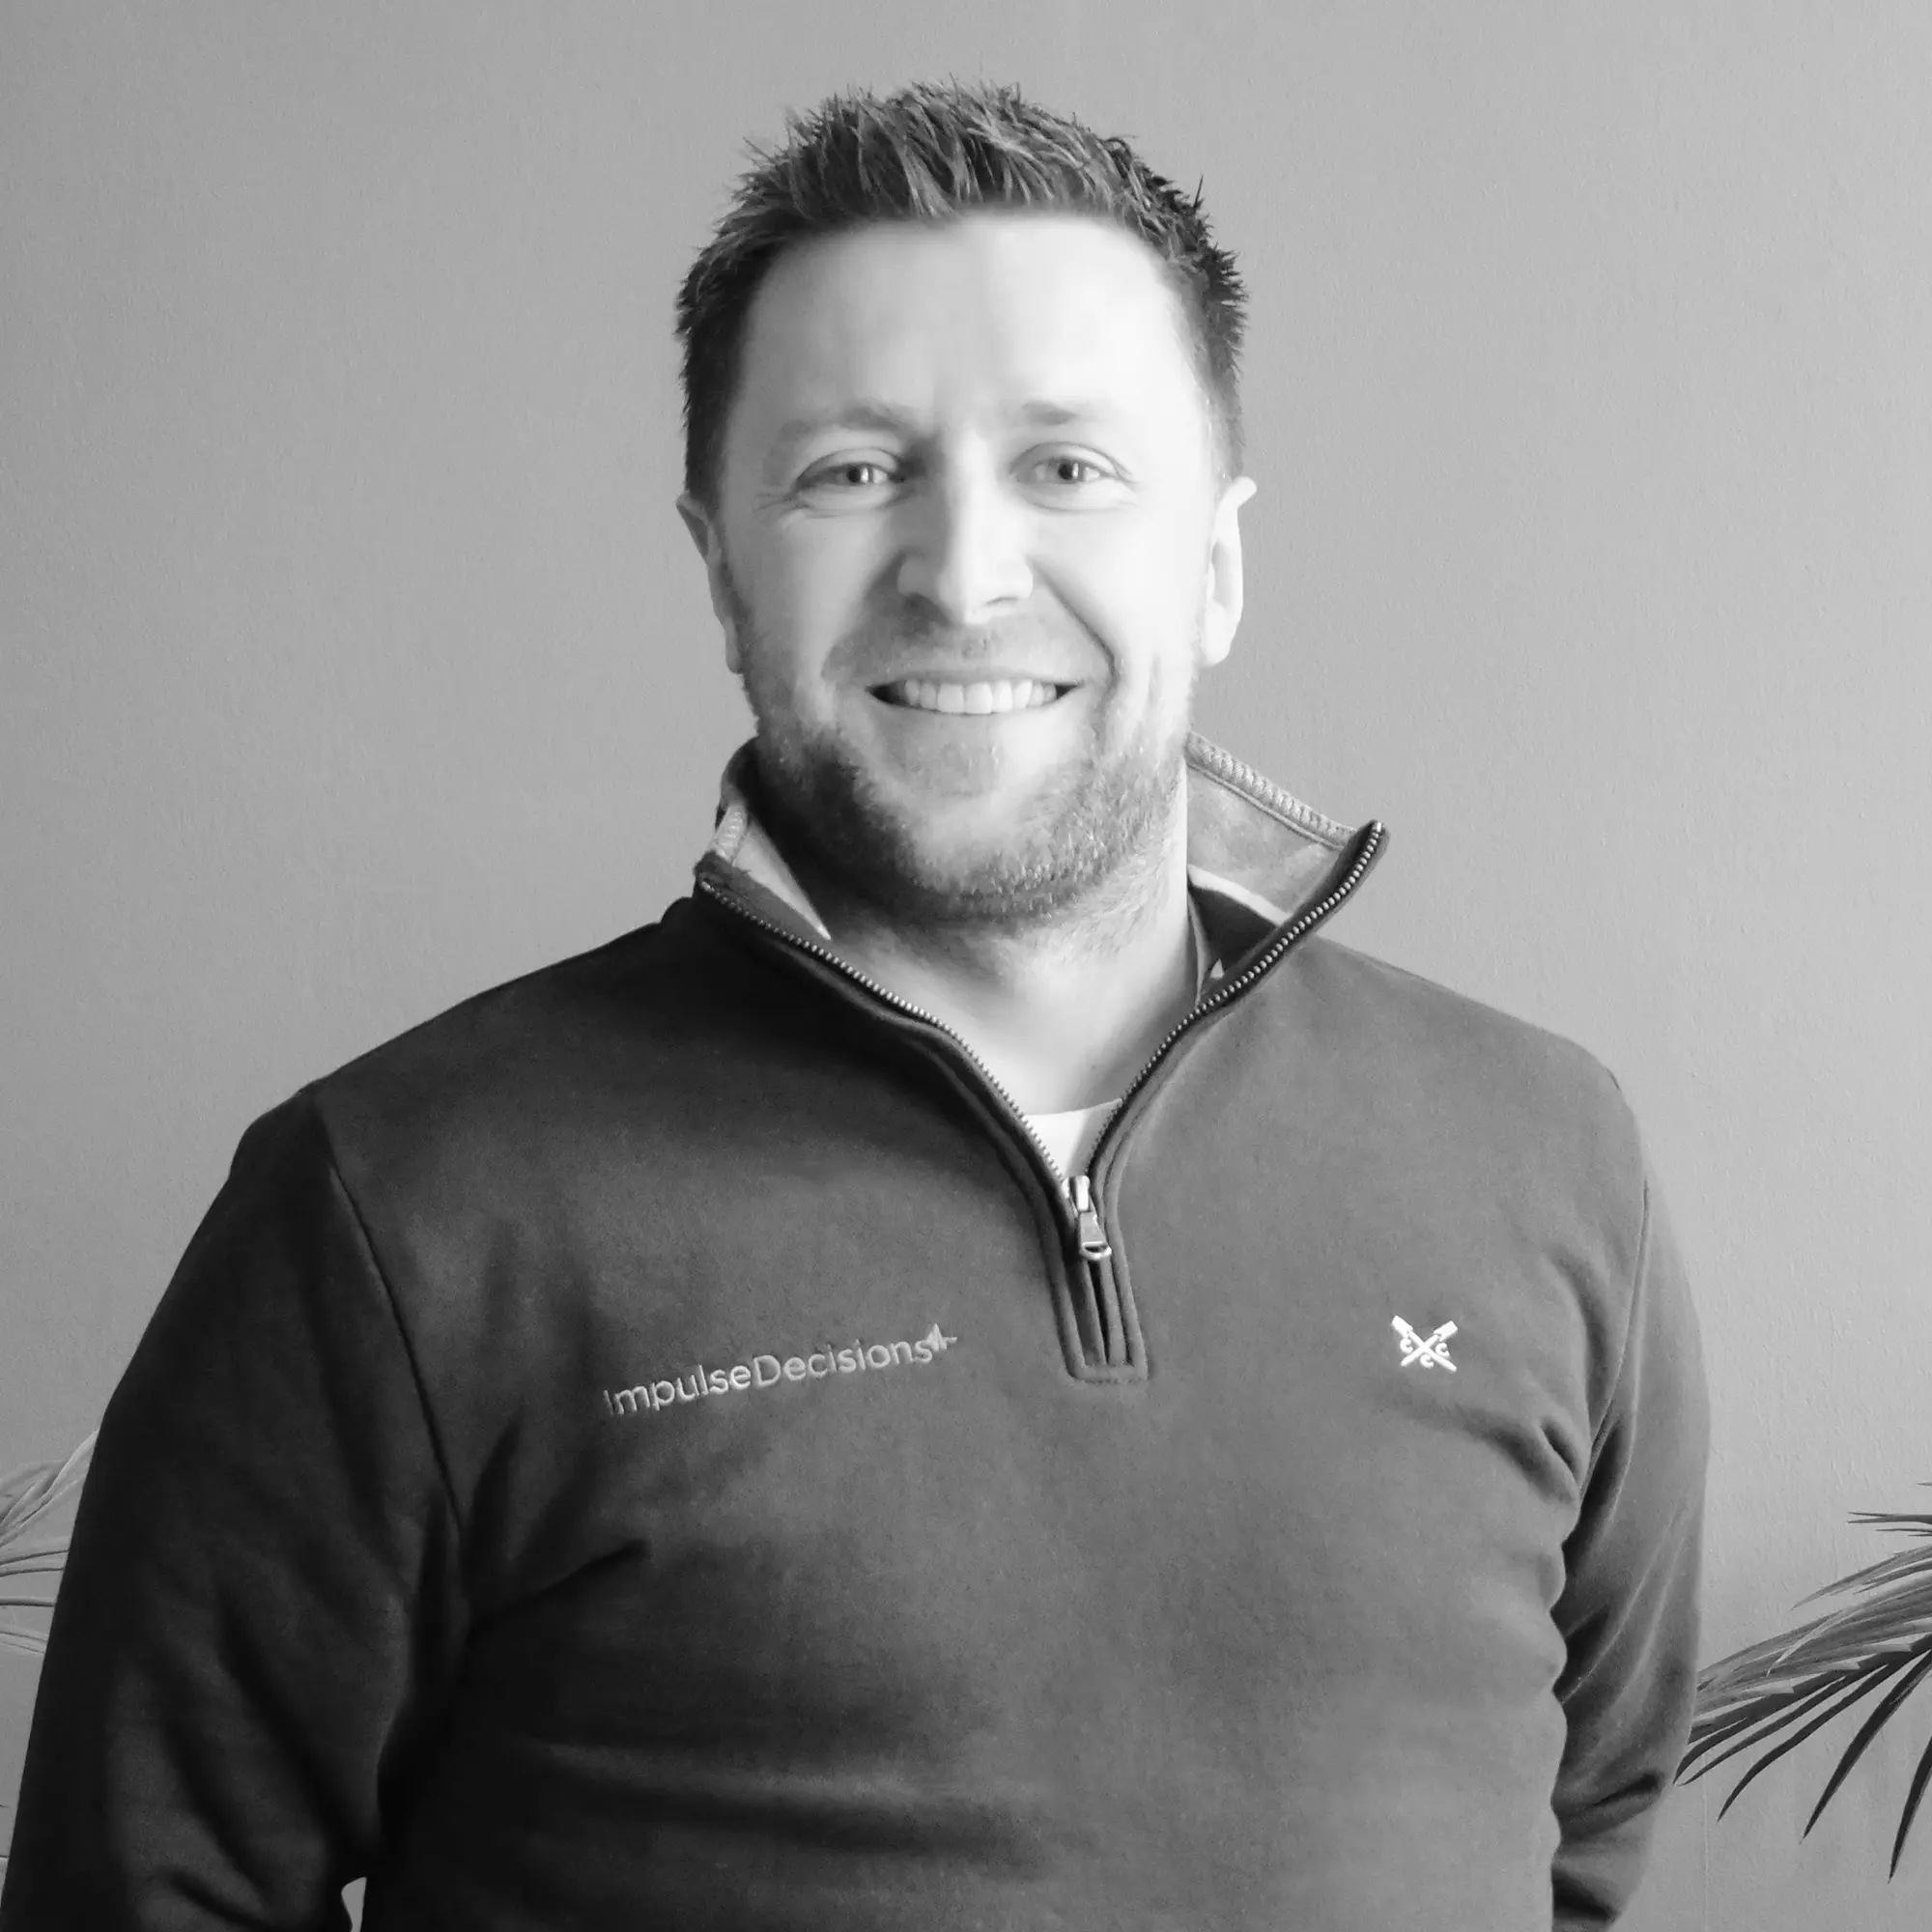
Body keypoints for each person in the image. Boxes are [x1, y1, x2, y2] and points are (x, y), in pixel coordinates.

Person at [1, 81, 1710, 1932]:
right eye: (851, 472)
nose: (964, 575)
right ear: (722, 568)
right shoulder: (395, 1213)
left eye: (1069, 467)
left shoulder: (1545, 1157)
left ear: (1216, 564)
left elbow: (1578, 1831)